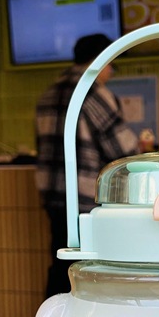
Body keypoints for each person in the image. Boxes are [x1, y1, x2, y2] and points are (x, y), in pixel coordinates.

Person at [35, 33, 138, 298]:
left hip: (53, 195)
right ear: (100, 61)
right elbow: (122, 149)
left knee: (60, 260)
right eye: (112, 65)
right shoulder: (92, 92)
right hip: (83, 197)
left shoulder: (48, 92)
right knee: (88, 265)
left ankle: (54, 315)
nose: (111, 72)